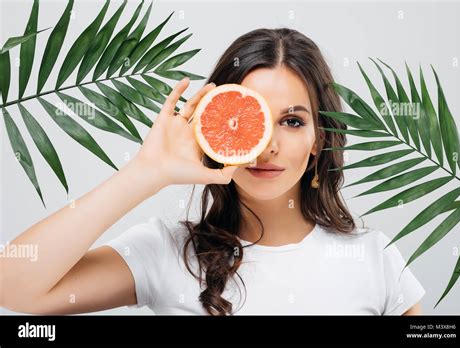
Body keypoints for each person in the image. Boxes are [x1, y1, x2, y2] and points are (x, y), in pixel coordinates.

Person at [0, 28, 425, 316]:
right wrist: (146, 172)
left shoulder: (375, 258)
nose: (268, 144)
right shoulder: (166, 250)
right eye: (248, 121)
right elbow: (14, 286)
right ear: (213, 126)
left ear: (318, 140)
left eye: (292, 121)